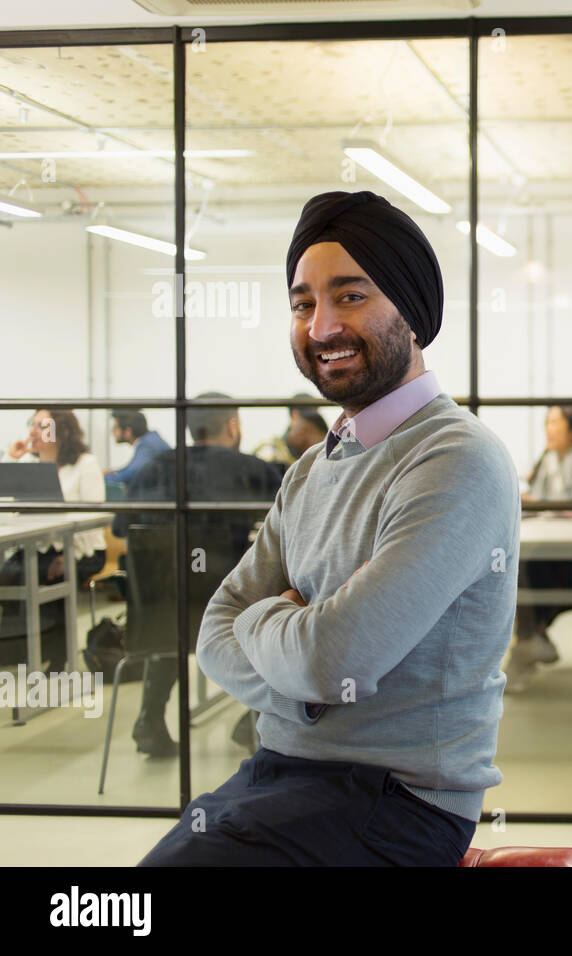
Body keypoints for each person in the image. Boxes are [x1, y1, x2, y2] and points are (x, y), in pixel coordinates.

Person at [139, 190, 519, 866]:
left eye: (349, 296)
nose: (320, 328)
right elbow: (212, 636)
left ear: (411, 306)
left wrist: (275, 636)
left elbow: (330, 660)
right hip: (277, 774)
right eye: (302, 303)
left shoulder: (458, 459)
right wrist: (304, 674)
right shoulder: (313, 468)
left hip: (395, 805)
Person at [112, 395, 284, 759]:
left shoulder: (153, 468)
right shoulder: (253, 470)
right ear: (234, 426)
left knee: (176, 608)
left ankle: (150, 718)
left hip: (158, 617)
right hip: (229, 618)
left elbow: (120, 528)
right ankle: (257, 719)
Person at [506, 405, 572, 690]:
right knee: (518, 562)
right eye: (547, 422)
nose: (548, 429)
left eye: (555, 422)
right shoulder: (547, 460)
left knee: (526, 566)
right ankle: (530, 639)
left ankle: (529, 640)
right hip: (550, 545)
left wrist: (538, 504)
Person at [0, 410, 107, 670]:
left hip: (82, 549)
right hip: (35, 548)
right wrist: (10, 459)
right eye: (32, 425)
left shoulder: (85, 464)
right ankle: (22, 652)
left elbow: (94, 520)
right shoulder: (26, 462)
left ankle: (56, 656)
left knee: (44, 575)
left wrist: (69, 555)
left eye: (42, 426)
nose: (33, 432)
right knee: (7, 575)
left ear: (63, 431)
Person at [251, 394, 330, 474]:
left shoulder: (322, 446)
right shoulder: (270, 451)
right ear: (294, 416)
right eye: (305, 428)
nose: (310, 430)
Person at [103, 409, 171, 492]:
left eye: (115, 428)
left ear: (128, 431)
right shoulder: (149, 440)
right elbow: (129, 470)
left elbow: (131, 475)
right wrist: (114, 472)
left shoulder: (148, 445)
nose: (112, 432)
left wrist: (100, 477)